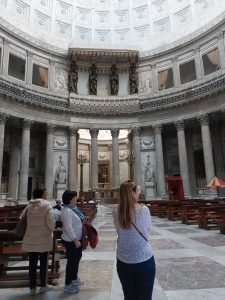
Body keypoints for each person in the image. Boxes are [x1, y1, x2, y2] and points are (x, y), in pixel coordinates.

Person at [113, 180, 156, 300]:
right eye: (137, 191)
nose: (139, 193)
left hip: (123, 260)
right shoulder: (144, 210)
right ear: (131, 193)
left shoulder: (116, 212)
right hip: (144, 258)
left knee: (129, 296)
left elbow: (119, 231)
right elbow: (147, 231)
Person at [22, 188, 55, 296]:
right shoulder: (46, 205)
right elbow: (51, 223)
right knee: (44, 263)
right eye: (46, 193)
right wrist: (51, 228)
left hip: (31, 238)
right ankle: (43, 286)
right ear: (43, 194)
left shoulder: (29, 205)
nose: (47, 194)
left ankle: (32, 288)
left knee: (32, 263)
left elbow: (22, 218)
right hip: (44, 238)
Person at [60, 190, 85, 294]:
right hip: (71, 240)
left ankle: (74, 279)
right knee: (71, 262)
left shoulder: (73, 209)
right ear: (70, 199)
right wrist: (75, 240)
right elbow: (68, 227)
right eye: (75, 197)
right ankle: (67, 284)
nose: (77, 199)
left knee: (77, 258)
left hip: (76, 240)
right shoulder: (66, 211)